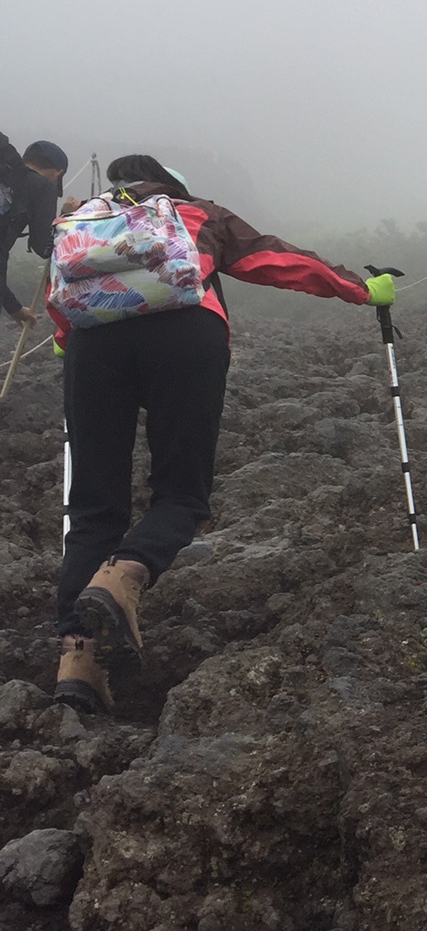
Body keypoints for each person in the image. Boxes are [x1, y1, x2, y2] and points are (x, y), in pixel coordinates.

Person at [48, 154, 395, 713]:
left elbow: (61, 292)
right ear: (173, 186)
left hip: (95, 348)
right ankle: (122, 578)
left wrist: (67, 336)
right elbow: (274, 259)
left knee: (92, 509)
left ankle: (78, 666)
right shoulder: (196, 212)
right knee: (182, 494)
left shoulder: (88, 216)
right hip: (186, 334)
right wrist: (361, 288)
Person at [1, 139, 68, 327]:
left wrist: (13, 307)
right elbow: (44, 247)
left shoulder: (8, 179)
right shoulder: (41, 186)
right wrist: (65, 217)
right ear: (58, 173)